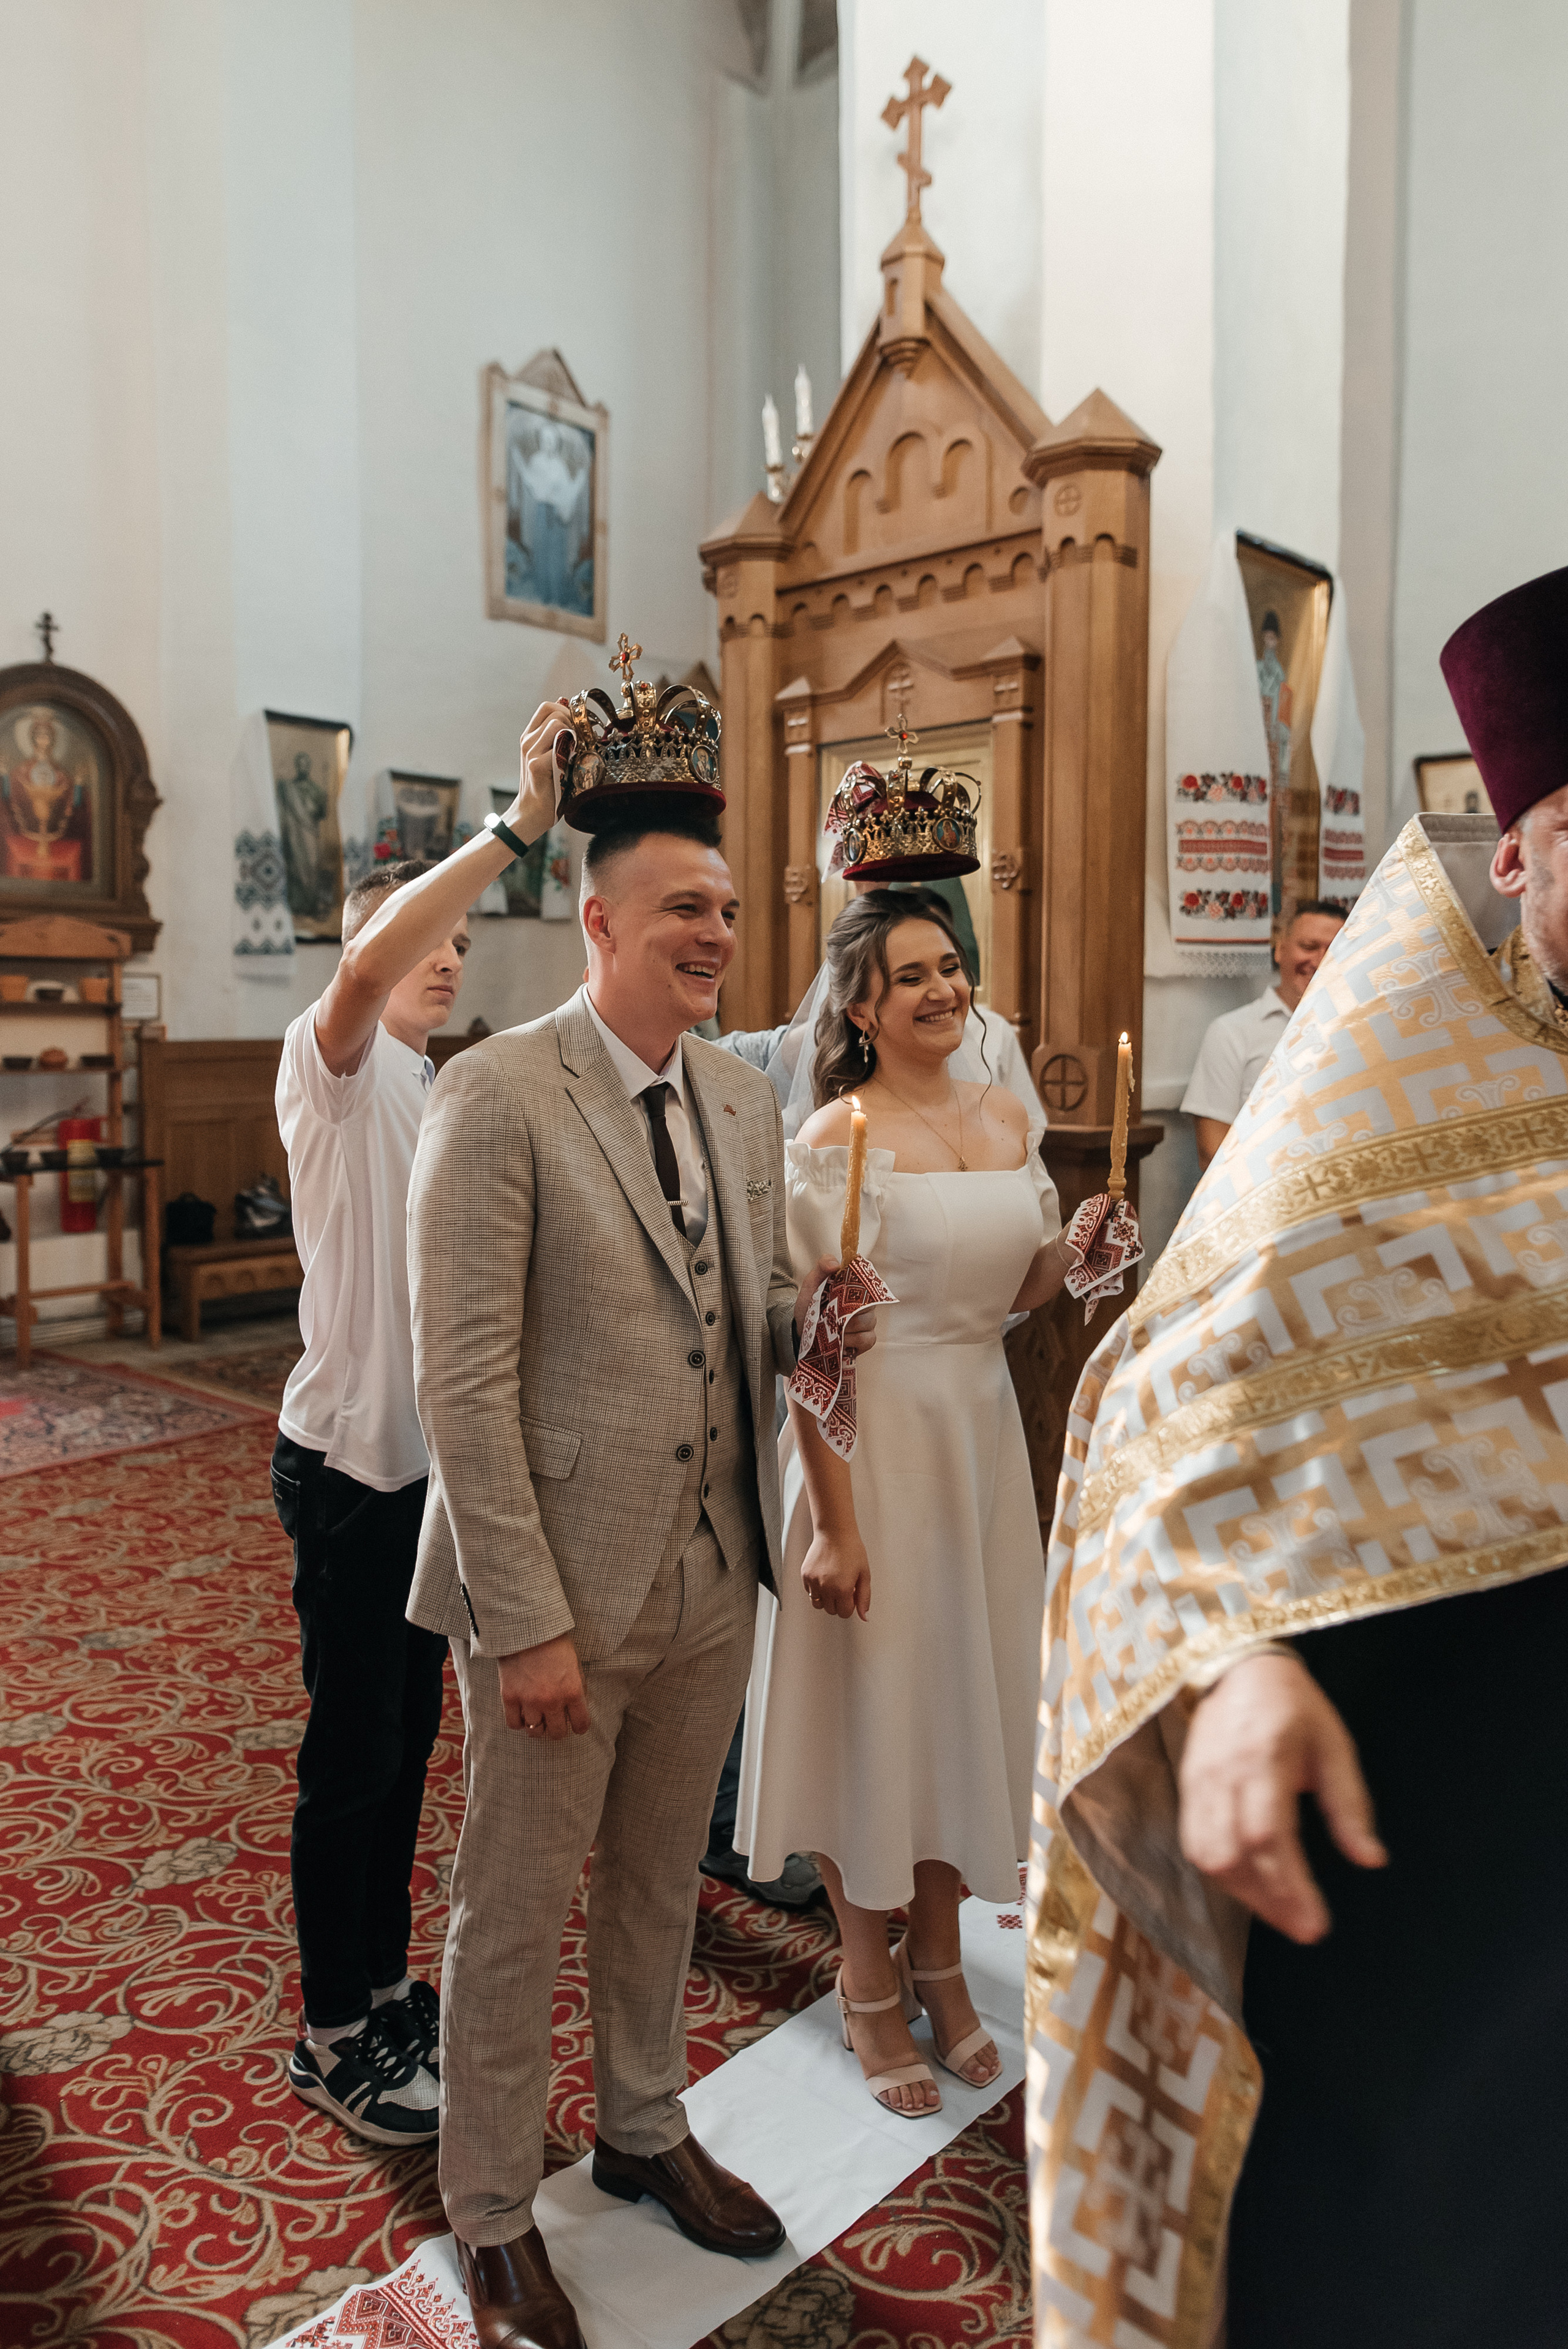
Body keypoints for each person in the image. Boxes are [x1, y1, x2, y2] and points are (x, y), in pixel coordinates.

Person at [1025, 564, 1568, 2349]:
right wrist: (1232, 1663)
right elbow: (1161, 1419)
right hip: (1418, 1838)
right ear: (1516, 855)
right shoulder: (1376, 1104)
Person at [405, 803, 858, 2349]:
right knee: (513, 1906)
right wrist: (521, 1618)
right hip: (557, 1591)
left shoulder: (739, 1098)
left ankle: (645, 2121)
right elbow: (460, 1383)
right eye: (682, 908)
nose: (716, 934)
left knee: (661, 1878)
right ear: (598, 922)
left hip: (709, 1565)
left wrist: (820, 1321)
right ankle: (487, 2206)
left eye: (727, 909)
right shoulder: (497, 1093)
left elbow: (755, 1308)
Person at [737, 894, 1131, 2117]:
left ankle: (944, 1963)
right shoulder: (834, 1137)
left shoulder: (1007, 1114)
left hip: (971, 1437)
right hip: (866, 1448)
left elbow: (1008, 1290)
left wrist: (1075, 1248)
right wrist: (838, 1526)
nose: (940, 992)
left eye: (950, 969)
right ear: (858, 1006)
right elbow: (814, 1354)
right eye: (909, 976)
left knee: (959, 1699)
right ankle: (864, 1975)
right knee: (874, 1706)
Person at [273, 700, 565, 2147]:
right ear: (363, 950)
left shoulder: (451, 1082)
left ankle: (382, 1983)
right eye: (418, 938)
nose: (446, 956)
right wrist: (514, 827)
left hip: (423, 1473)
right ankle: (332, 2027)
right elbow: (371, 959)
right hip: (343, 1467)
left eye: (460, 941)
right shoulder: (325, 1064)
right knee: (355, 1751)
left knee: (404, 1751)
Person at [1180, 897, 1346, 1168]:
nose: (1320, 961)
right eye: (1308, 947)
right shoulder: (1232, 1032)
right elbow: (1212, 1149)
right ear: (1280, 950)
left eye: (1335, 950)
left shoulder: (1358, 1029)